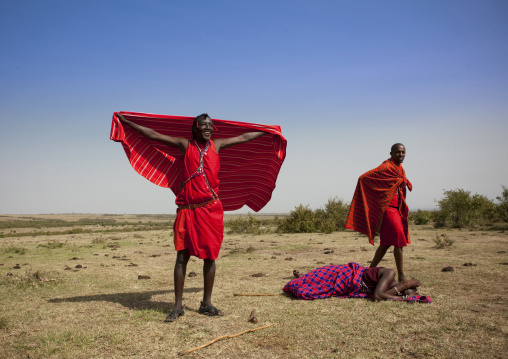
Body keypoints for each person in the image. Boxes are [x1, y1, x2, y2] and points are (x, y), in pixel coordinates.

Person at [116, 113, 266, 322]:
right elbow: (153, 135)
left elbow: (243, 138)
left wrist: (268, 131)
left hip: (210, 210)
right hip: (188, 209)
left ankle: (207, 303)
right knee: (181, 257)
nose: (208, 128)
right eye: (203, 125)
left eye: (211, 126)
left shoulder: (217, 145)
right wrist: (127, 123)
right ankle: (178, 306)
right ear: (195, 128)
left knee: (210, 257)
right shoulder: (185, 145)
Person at [345, 144, 412, 283]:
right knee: (399, 242)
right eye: (398, 152)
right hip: (388, 210)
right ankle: (402, 276)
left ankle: (368, 272)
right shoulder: (386, 167)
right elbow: (363, 178)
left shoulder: (400, 169)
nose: (401, 154)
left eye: (403, 152)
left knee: (386, 243)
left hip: (396, 209)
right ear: (391, 153)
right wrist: (379, 200)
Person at [284, 263, 429, 302]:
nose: (399, 291)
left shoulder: (390, 289)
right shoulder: (389, 273)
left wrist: (402, 295)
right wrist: (406, 286)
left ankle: (302, 278)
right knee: (317, 277)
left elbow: (383, 295)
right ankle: (302, 277)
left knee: (308, 290)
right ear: (400, 284)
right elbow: (379, 296)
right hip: (347, 275)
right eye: (401, 289)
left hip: (347, 285)